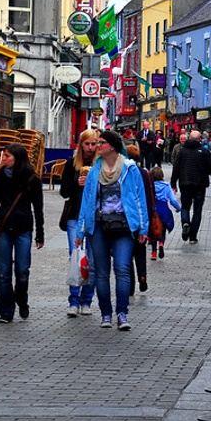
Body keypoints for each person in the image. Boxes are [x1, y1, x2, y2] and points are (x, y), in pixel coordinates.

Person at [75, 130, 149, 331]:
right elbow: (87, 202)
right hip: (99, 226)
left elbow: (139, 200)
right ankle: (106, 313)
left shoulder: (129, 169)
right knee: (101, 272)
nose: (98, 146)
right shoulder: (94, 172)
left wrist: (143, 227)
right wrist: (80, 231)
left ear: (113, 146)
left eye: (102, 143)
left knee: (123, 269)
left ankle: (122, 313)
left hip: (123, 226)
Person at [0, 143, 44, 324]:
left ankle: (22, 300)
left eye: (7, 156)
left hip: (24, 228)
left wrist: (40, 233)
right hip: (4, 229)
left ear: (17, 158)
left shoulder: (32, 179)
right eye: (3, 155)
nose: (3, 159)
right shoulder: (1, 178)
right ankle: (6, 312)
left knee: (22, 271)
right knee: (4, 272)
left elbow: (38, 208)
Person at [60, 129, 98, 317]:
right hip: (75, 216)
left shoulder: (101, 165)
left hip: (96, 218)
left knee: (92, 259)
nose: (90, 148)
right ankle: (73, 300)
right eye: (87, 144)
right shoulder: (71, 164)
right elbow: (64, 192)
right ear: (81, 144)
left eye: (93, 144)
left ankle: (87, 300)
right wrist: (78, 183)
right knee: (75, 256)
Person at [170, 129, 211, 244]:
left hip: (185, 183)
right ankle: (193, 236)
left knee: (185, 207)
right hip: (200, 185)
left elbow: (176, 168)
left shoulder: (182, 151)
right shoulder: (204, 152)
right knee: (197, 210)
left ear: (189, 139)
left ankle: (185, 222)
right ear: (199, 139)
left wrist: (173, 183)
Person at [126, 143, 156, 293]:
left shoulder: (124, 172)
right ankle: (142, 276)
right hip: (143, 216)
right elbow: (151, 195)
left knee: (127, 252)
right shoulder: (145, 173)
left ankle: (130, 284)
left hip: (129, 217)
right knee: (140, 249)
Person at [149, 166, 180, 260]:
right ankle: (161, 244)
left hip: (153, 210)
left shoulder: (150, 186)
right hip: (164, 210)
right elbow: (173, 200)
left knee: (153, 230)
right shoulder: (166, 186)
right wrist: (178, 208)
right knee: (163, 229)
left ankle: (154, 253)